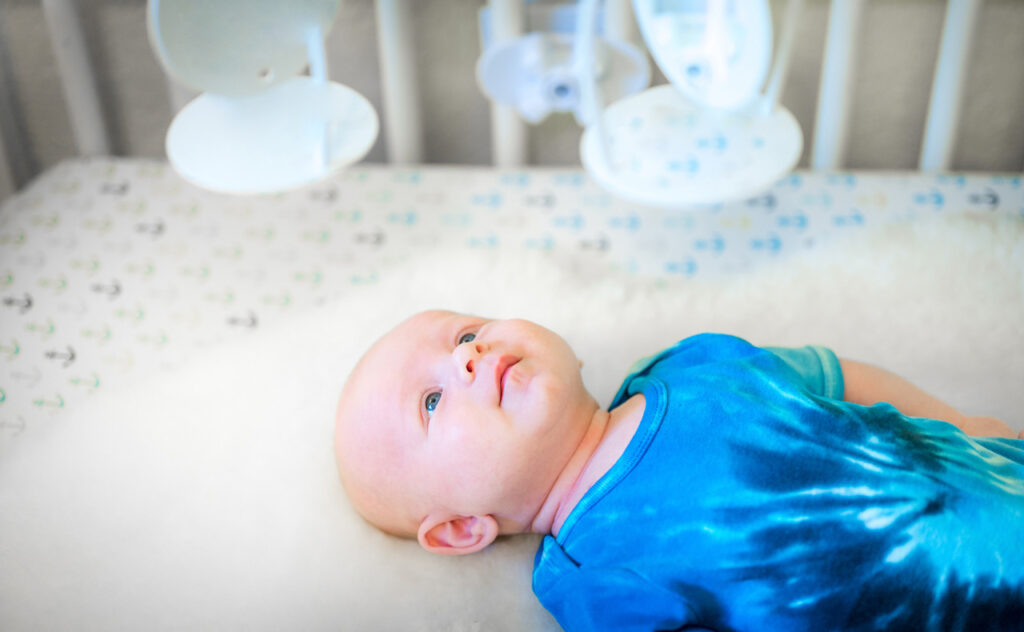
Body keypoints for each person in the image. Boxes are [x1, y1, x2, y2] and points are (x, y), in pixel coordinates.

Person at [334, 310, 1024, 631]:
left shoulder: (690, 367)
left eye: (464, 333)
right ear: (460, 529)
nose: (469, 356)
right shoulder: (590, 575)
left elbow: (835, 375)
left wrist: (963, 421)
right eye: (432, 401)